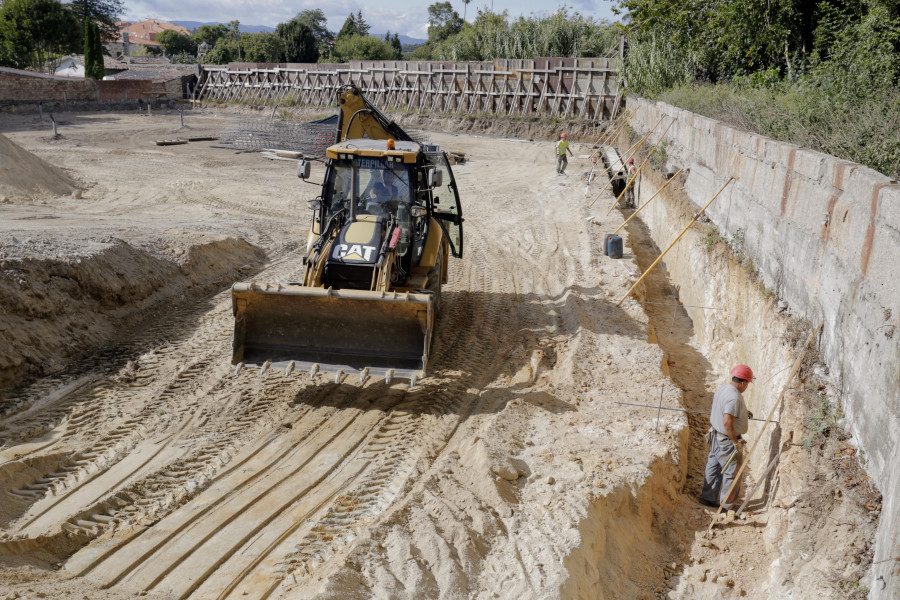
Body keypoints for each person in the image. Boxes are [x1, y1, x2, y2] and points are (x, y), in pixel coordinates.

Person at [699, 364, 754, 510]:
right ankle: (726, 506)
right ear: (743, 383)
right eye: (748, 383)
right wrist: (735, 442)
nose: (747, 386)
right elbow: (727, 421)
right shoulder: (734, 397)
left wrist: (742, 413)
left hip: (715, 435)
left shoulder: (724, 388)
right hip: (726, 440)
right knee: (732, 472)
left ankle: (707, 498)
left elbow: (724, 409)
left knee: (713, 465)